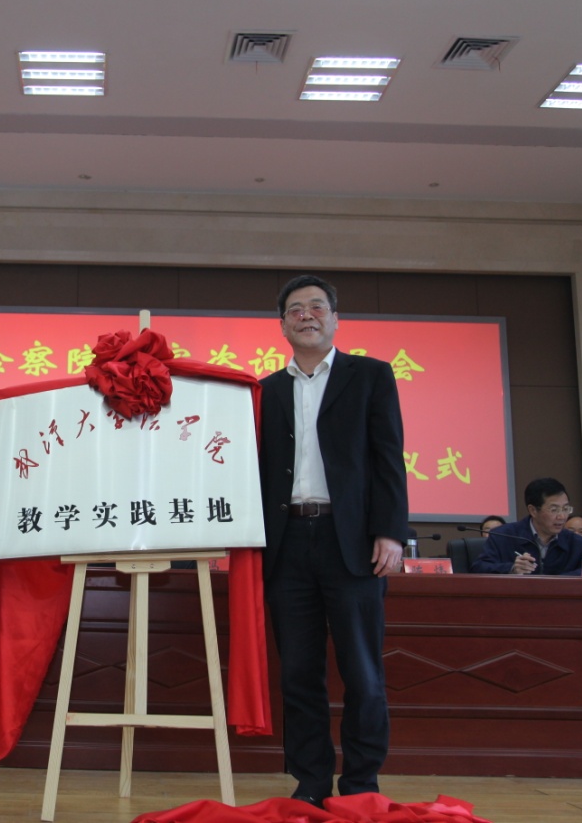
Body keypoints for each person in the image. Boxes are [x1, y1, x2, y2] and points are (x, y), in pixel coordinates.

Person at [259, 274, 409, 805]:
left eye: (317, 306)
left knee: (362, 672)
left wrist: (390, 531)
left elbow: (388, 458)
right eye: (295, 309)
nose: (307, 315)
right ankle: (311, 781)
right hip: (286, 545)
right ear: (282, 325)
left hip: (351, 544)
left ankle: (361, 782)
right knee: (299, 673)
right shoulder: (266, 391)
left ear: (336, 319)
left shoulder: (369, 376)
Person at [471, 478, 582, 575]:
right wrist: (511, 568)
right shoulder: (503, 536)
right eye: (554, 510)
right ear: (533, 510)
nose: (562, 516)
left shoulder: (575, 542)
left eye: (565, 509)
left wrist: (559, 582)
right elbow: (479, 568)